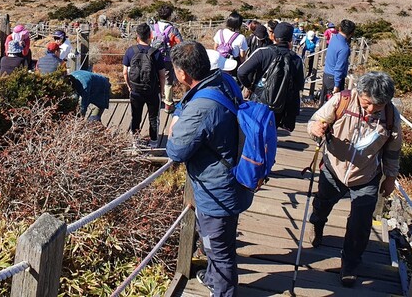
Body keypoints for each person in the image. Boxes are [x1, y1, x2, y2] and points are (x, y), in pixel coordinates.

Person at [165, 41, 253, 297]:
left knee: (218, 247)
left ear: (182, 73)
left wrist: (174, 129)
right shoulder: (225, 81)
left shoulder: (202, 108)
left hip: (217, 189)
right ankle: (214, 278)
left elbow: (176, 151)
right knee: (218, 240)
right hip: (233, 177)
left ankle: (224, 291)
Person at [307, 71, 402, 287]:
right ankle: (317, 223)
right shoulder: (343, 100)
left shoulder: (391, 116)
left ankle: (350, 263)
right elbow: (314, 122)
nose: (370, 110)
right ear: (360, 93)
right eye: (367, 103)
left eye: (376, 107)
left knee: (361, 222)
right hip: (334, 167)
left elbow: (393, 150)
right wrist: (316, 128)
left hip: (366, 174)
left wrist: (390, 177)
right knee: (323, 202)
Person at [237, 22, 305, 131]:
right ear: (290, 39)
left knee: (254, 131)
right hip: (280, 106)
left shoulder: (263, 52)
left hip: (260, 101)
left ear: (273, 35)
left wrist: (252, 87)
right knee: (271, 132)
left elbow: (241, 72)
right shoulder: (296, 59)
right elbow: (299, 85)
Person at [123, 22, 166, 148]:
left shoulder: (130, 51)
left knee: (135, 116)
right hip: (152, 91)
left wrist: (129, 87)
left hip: (136, 91)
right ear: (150, 35)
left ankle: (135, 142)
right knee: (154, 117)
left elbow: (125, 72)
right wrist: (161, 91)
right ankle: (153, 142)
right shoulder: (156, 53)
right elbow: (162, 75)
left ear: (137, 35)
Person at [152, 4, 183, 112]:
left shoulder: (152, 27)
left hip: (153, 57)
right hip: (167, 59)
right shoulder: (172, 30)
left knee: (154, 78)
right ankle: (168, 104)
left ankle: (155, 101)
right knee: (168, 80)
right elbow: (180, 44)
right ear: (169, 16)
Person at [322, 19, 356, 103]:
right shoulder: (344, 48)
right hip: (334, 79)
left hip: (326, 75)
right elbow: (339, 68)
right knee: (332, 108)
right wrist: (337, 85)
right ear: (352, 33)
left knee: (323, 105)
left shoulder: (334, 38)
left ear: (340, 28)